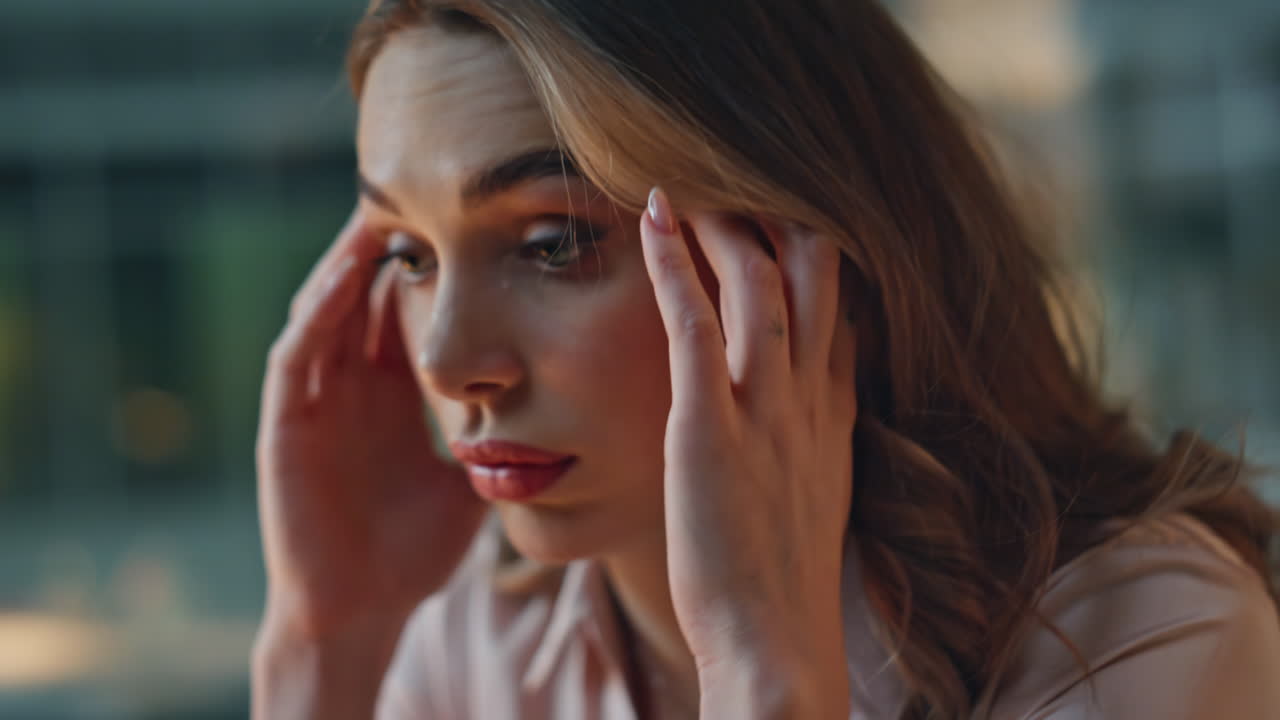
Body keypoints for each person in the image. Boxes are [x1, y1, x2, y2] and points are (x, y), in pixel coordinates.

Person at [250, 1, 1280, 718]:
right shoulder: (473, 655)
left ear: (807, 255)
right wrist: (328, 644)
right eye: (408, 254)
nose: (446, 358)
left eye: (553, 241)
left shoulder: (1135, 636)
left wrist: (761, 673)